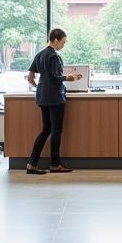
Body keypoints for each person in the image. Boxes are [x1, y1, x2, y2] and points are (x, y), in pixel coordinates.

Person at [24, 28, 82, 175]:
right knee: (56, 130)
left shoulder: (39, 54)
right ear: (56, 40)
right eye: (63, 42)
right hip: (55, 98)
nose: (63, 45)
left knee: (46, 130)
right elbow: (57, 77)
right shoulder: (54, 56)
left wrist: (40, 87)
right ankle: (55, 164)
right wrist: (70, 77)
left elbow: (30, 78)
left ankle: (32, 164)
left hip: (43, 97)